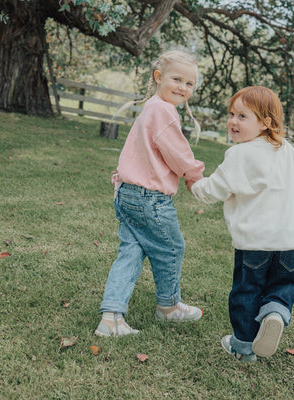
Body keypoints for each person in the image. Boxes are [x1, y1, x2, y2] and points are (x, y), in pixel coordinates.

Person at [190, 86, 294, 362]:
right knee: (285, 283)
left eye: (243, 116)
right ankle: (276, 311)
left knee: (247, 291)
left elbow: (215, 188)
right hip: (292, 240)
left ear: (266, 123)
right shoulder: (287, 150)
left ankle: (244, 347)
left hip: (256, 243)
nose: (233, 121)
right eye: (231, 114)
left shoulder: (240, 155)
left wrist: (194, 185)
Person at [95, 50, 205, 337]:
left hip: (127, 192)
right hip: (149, 199)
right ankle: (168, 308)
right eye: (177, 79)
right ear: (158, 77)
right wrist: (194, 176)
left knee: (131, 252)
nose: (183, 87)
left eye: (189, 84)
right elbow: (177, 154)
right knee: (171, 248)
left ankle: (111, 316)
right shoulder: (163, 111)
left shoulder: (153, 107)